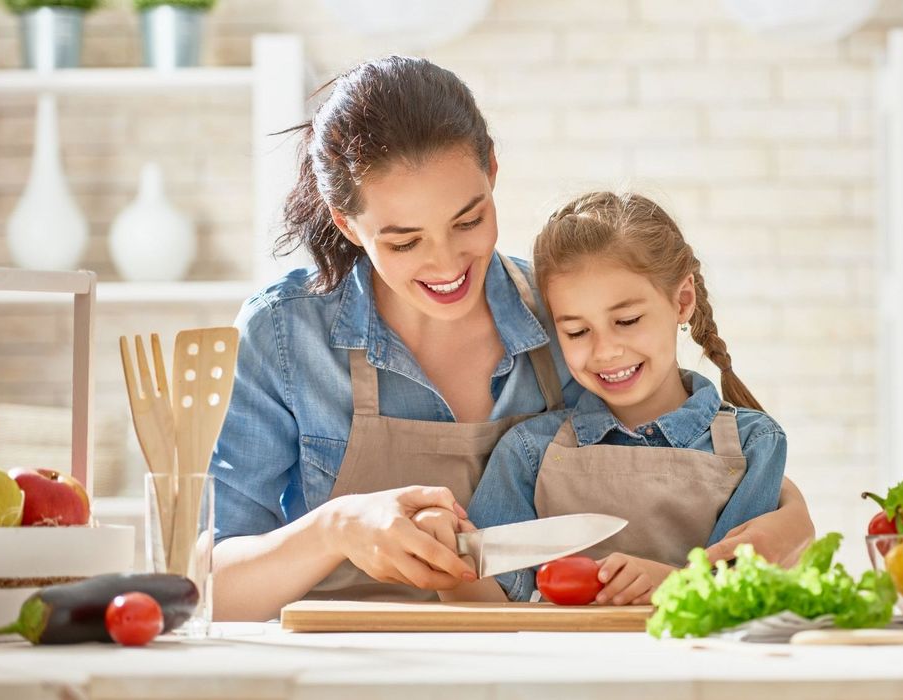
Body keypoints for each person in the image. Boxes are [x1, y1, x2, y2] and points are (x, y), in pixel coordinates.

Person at [210, 56, 814, 621]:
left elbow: (674, 458)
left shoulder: (567, 319)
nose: (447, 263)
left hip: (522, 659)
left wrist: (790, 516)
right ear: (348, 224)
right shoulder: (285, 335)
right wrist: (335, 527)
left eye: (469, 220)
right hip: (344, 670)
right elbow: (210, 590)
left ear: (493, 171)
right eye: (404, 241)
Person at [425, 191, 802, 605]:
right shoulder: (529, 452)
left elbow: (743, 594)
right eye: (576, 331)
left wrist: (672, 584)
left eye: (626, 321)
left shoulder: (755, 445)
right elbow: (489, 608)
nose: (604, 351)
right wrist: (446, 562)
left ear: (682, 301)